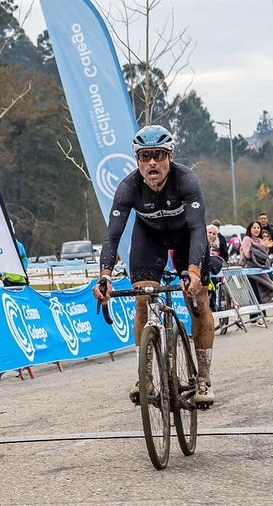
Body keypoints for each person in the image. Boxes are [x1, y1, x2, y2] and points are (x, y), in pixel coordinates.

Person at [92, 125, 215, 407]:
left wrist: (194, 272)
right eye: (145, 156)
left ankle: (203, 377)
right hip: (149, 238)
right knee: (142, 300)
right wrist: (105, 276)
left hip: (186, 238)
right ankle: (145, 377)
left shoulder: (187, 180)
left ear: (170, 157)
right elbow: (112, 235)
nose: (151, 162)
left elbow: (198, 229)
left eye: (158, 155)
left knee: (198, 299)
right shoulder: (128, 187)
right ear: (137, 160)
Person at [239, 220, 273, 322]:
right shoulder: (247, 239)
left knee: (262, 292)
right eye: (254, 228)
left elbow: (264, 256)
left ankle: (262, 315)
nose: (256, 230)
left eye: (258, 228)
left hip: (260, 270)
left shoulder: (260, 240)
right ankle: (254, 318)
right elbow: (248, 255)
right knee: (254, 294)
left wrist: (265, 248)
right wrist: (262, 248)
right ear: (250, 229)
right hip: (249, 271)